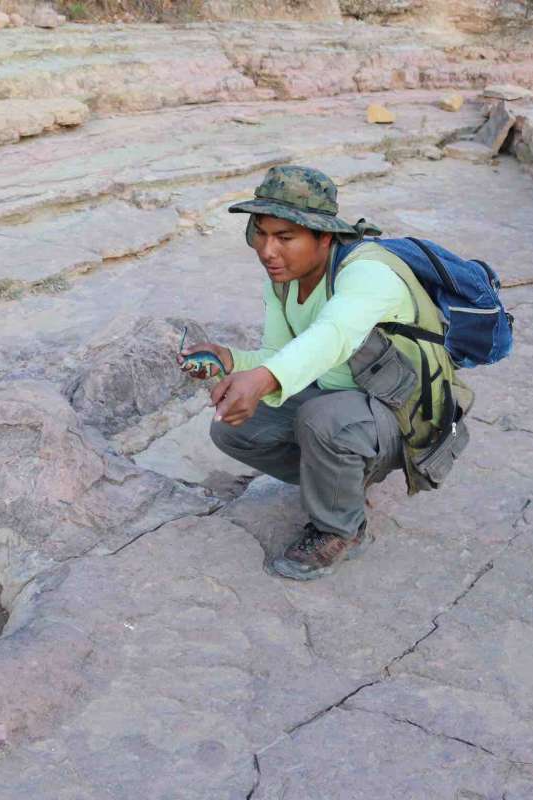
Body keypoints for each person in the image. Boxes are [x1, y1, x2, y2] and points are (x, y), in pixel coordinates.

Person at [179, 165, 431, 581]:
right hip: (344, 402)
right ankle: (338, 485)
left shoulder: (368, 273)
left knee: (322, 420)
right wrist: (230, 360)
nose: (267, 250)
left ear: (325, 236)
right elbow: (279, 354)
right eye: (260, 233)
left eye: (285, 237)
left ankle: (341, 529)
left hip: (401, 414)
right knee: (231, 428)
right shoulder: (283, 280)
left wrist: (259, 381)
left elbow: (332, 336)